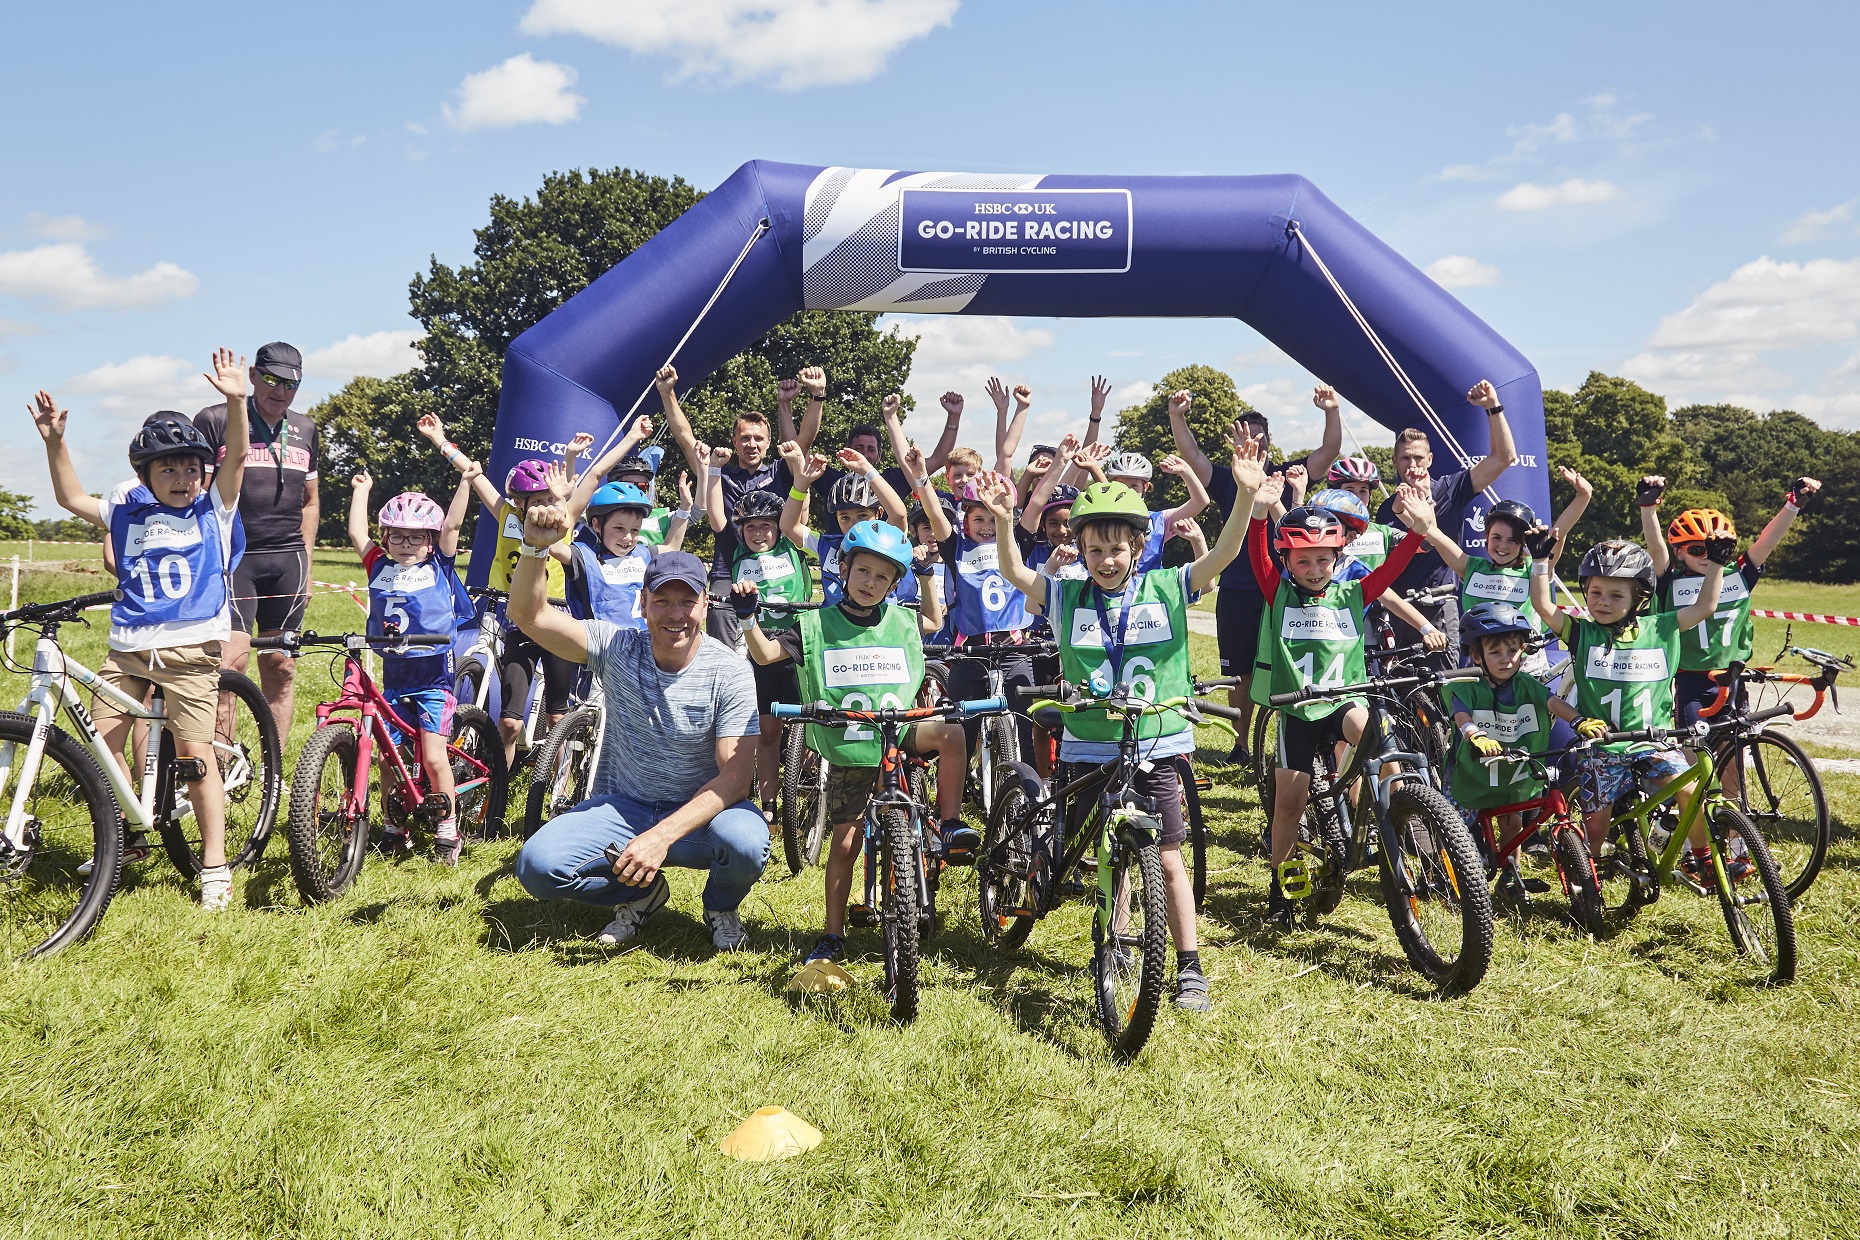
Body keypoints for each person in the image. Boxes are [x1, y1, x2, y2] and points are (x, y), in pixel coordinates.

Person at [988, 443, 1255, 1013]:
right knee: (1091, 843)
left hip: (1159, 741)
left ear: (1137, 546)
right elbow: (1013, 571)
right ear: (1079, 551)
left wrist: (1247, 497)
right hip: (1088, 741)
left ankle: (1188, 968)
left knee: (1166, 857)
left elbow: (1226, 556)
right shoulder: (1066, 596)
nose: (1105, 560)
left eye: (1116, 548)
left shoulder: (1167, 586)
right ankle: (1089, 904)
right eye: (1093, 550)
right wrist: (1007, 523)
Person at [31, 350, 250, 909]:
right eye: (168, 469)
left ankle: (215, 865)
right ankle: (124, 840)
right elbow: (69, 498)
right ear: (146, 476)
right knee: (102, 748)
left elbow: (239, 457)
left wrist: (236, 399)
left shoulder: (213, 511)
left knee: (195, 756)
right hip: (127, 650)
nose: (182, 479)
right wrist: (55, 442)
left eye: (190, 469)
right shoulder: (127, 513)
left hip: (192, 651)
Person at [511, 521, 767, 952]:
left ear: (706, 605)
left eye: (688, 601)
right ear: (642, 603)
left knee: (747, 842)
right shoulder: (617, 647)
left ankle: (721, 906)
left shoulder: (731, 671)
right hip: (625, 807)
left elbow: (737, 779)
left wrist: (660, 837)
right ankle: (640, 894)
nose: (675, 614)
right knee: (537, 868)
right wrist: (535, 548)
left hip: (701, 819)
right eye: (662, 600)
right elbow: (531, 616)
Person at [738, 520, 956, 963]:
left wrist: (930, 573)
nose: (870, 583)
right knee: (844, 842)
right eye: (863, 572)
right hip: (851, 741)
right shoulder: (814, 625)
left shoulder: (901, 618)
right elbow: (764, 654)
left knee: (950, 732)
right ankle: (833, 933)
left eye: (883, 577)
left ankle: (950, 824)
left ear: (895, 583)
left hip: (898, 730)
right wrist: (747, 617)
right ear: (843, 569)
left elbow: (934, 619)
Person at [1245, 463, 1441, 929]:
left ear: (1338, 557)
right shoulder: (1279, 592)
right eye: (1303, 561)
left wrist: (1416, 531)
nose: (1315, 570)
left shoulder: (1354, 591)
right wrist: (1257, 515)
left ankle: (1402, 818)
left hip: (1342, 700)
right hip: (1297, 710)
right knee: (1288, 805)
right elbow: (1258, 557)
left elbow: (1393, 568)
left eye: (1323, 560)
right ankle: (1283, 886)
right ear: (1288, 563)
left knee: (1382, 744)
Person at [1528, 534, 1727, 872]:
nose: (1602, 602)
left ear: (1640, 598)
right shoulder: (1581, 633)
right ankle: (1593, 864)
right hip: (1602, 747)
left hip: (1653, 743)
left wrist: (1717, 564)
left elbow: (1705, 606)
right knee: (1596, 825)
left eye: (1616, 595)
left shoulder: (1662, 628)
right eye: (1595, 593)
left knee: (1690, 791)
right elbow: (1543, 606)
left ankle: (1702, 859)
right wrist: (1539, 562)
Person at [1172, 385, 1343, 767]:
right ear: (1235, 444)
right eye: (1243, 438)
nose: (1251, 445)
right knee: (1240, 673)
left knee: (1287, 666)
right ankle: (1242, 745)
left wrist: (1331, 411)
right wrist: (1177, 416)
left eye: (1258, 439)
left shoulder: (1287, 475)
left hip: (1281, 589)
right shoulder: (1225, 478)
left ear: (1269, 442)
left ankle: (1294, 740)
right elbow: (1191, 454)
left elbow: (1328, 451)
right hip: (1235, 589)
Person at [1641, 475, 1821, 797]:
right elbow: (1655, 548)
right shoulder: (1669, 580)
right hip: (1689, 681)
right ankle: (1685, 829)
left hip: (1731, 679)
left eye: (1714, 548)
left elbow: (1768, 540)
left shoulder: (1738, 574)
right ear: (1679, 553)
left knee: (1732, 763)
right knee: (1694, 762)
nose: (1707, 554)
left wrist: (1793, 504)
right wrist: (1648, 509)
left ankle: (1736, 833)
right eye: (1697, 549)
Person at [419, 415, 580, 766]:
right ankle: (500, 788)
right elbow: (473, 474)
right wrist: (439, 439)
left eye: (546, 498)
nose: (540, 506)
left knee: (556, 716)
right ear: (518, 501)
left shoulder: (560, 519)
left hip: (555, 617)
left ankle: (555, 784)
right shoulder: (506, 513)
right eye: (530, 500)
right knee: (509, 722)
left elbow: (568, 496)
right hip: (517, 617)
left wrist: (568, 464)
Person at [349, 468, 476, 864]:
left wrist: (465, 482)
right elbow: (356, 534)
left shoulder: (438, 566)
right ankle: (393, 826)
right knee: (389, 757)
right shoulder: (378, 566)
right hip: (395, 677)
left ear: (429, 541)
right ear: (386, 539)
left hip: (433, 677)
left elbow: (453, 523)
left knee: (436, 757)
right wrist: (362, 491)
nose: (406, 544)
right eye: (398, 536)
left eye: (416, 537)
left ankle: (448, 830)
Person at [194, 341, 318, 742]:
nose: (280, 392)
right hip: (233, 561)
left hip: (287, 561)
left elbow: (311, 502)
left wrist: (309, 564)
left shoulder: (307, 429)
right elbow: (196, 494)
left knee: (280, 667)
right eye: (271, 380)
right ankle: (221, 766)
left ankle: (274, 770)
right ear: (253, 376)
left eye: (290, 385)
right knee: (232, 664)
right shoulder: (216, 419)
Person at [659, 364, 821, 648]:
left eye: (758, 438)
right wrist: (668, 392)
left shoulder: (779, 473)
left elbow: (803, 440)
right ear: (734, 441)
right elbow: (685, 439)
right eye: (744, 438)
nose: (751, 444)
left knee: (783, 643)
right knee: (723, 643)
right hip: (727, 566)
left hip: (778, 565)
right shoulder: (719, 474)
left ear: (769, 443)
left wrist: (816, 396)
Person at [1446, 602, 1603, 885]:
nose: (1506, 659)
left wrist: (1578, 721)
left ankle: (1511, 876)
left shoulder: (1527, 684)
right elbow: (1461, 715)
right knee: (1456, 829)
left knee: (1513, 822)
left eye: (1513, 651)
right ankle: (1452, 875)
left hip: (1509, 773)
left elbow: (1553, 702)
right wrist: (1474, 735)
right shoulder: (1466, 687)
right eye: (1495, 652)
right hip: (1469, 773)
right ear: (1476, 655)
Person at [1374, 379, 1519, 665]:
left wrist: (1492, 407)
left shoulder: (1451, 488)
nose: (1412, 464)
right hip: (1399, 611)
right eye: (1405, 458)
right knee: (1402, 699)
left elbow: (1504, 457)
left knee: (1445, 695)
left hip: (1440, 606)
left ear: (1430, 459)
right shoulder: (1386, 509)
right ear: (1394, 461)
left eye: (1418, 457)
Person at [1421, 467, 1592, 676]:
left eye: (1513, 540)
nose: (1503, 546)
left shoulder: (1535, 568)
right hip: (1480, 666)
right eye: (1496, 538)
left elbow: (1560, 533)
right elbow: (1434, 534)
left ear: (1523, 543)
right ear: (1486, 537)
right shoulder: (1472, 567)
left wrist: (1583, 496)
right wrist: (1421, 503)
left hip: (1525, 669)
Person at [724, 489, 811, 816]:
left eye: (766, 525)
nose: (758, 533)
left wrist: (801, 477)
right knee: (769, 730)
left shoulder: (792, 545)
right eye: (750, 527)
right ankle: (770, 802)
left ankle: (808, 783)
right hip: (761, 647)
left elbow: (798, 511)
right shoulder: (737, 555)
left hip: (797, 645)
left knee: (808, 724)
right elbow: (720, 521)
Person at [1103, 450, 1209, 572]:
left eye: (1134, 486)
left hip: (1150, 589)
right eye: (1122, 485)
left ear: (1145, 487)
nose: (1128, 491)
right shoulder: (1101, 519)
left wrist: (1185, 470)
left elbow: (1200, 502)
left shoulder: (1158, 521)